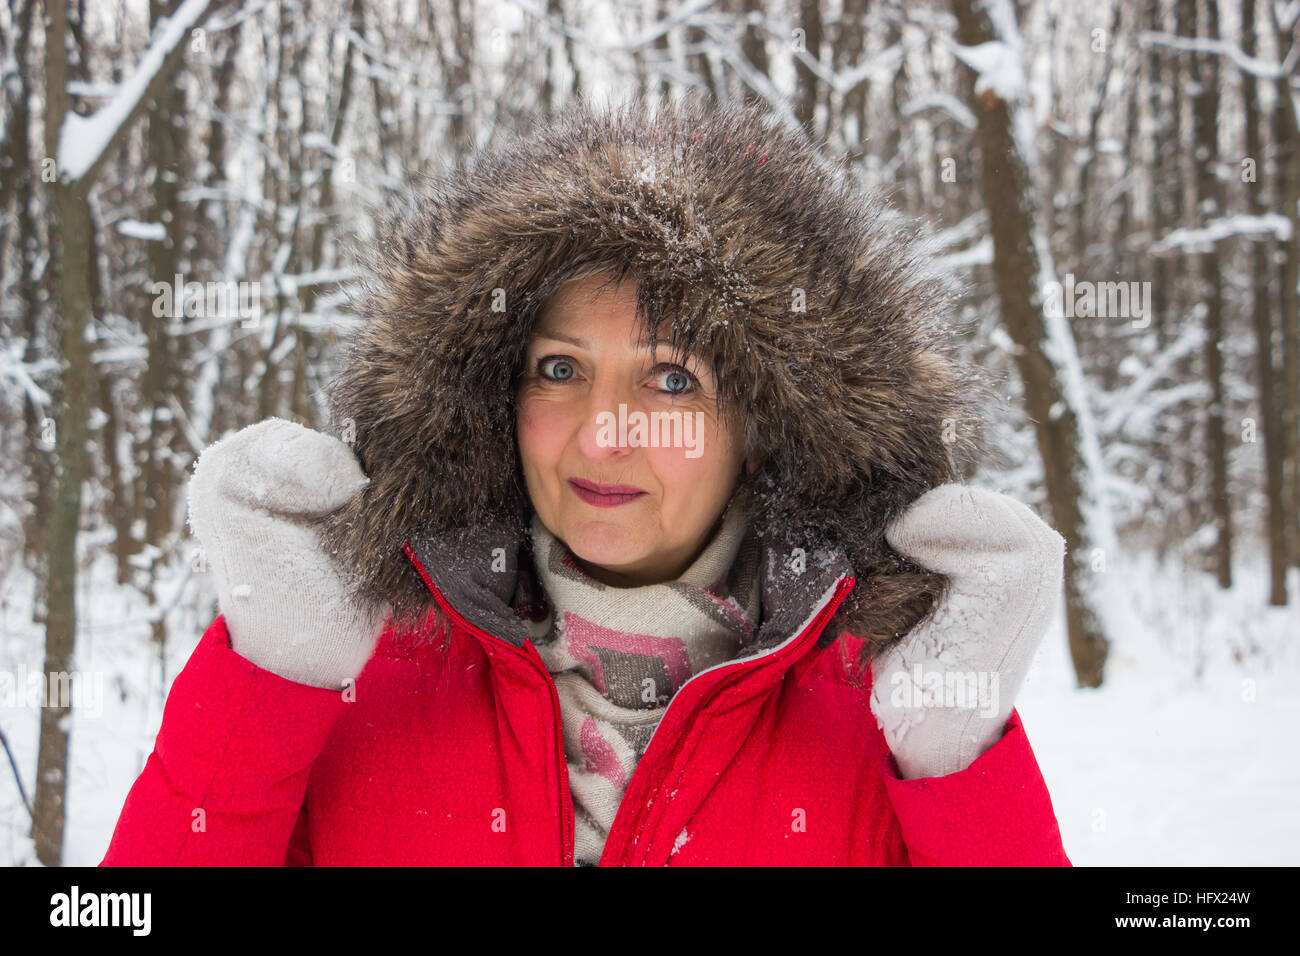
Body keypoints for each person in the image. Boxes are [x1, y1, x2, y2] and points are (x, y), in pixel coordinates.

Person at [101, 95, 1071, 866]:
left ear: (767, 423)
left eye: (673, 377)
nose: (602, 436)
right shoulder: (366, 666)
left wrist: (953, 762)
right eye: (559, 369)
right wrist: (262, 686)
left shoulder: (869, 702)